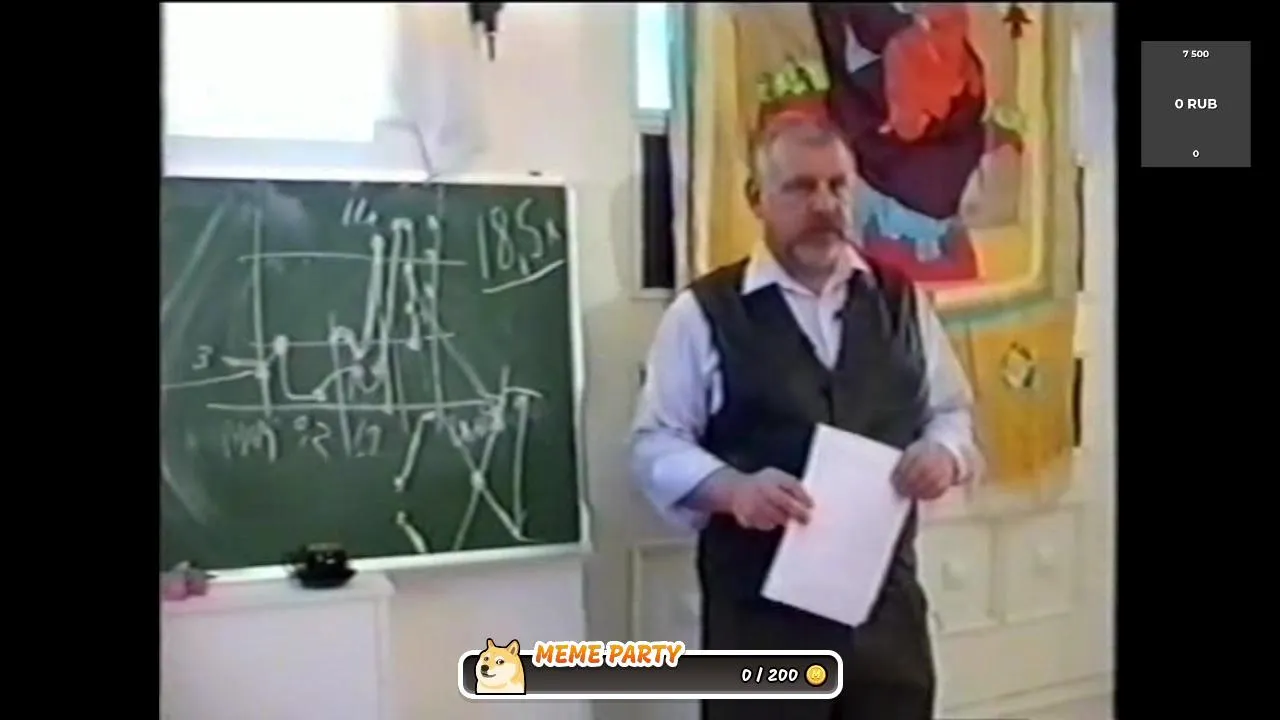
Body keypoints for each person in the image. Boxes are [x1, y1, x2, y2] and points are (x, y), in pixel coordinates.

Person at [630, 110, 982, 720]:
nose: (823, 204)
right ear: (756, 198)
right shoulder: (704, 313)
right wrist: (733, 489)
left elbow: (950, 412)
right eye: (799, 187)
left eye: (837, 185)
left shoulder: (902, 301)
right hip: (759, 630)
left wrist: (944, 454)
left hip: (887, 629)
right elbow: (654, 443)